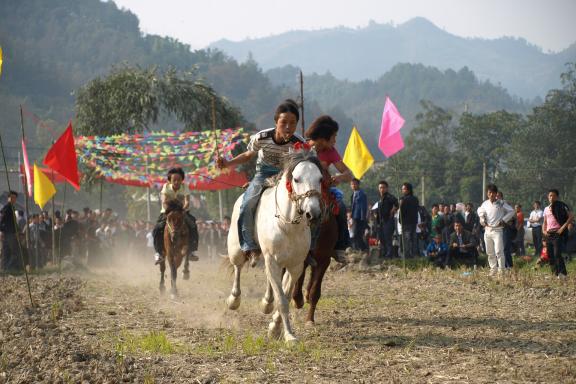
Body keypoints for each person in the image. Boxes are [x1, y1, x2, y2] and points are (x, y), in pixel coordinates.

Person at [217, 99, 305, 265]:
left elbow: (304, 165)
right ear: (276, 122)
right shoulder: (262, 137)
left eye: (292, 123)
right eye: (283, 122)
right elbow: (248, 155)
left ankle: (307, 248)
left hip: (286, 177)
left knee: (308, 205)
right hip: (262, 175)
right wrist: (227, 163)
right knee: (247, 204)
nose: (288, 127)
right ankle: (249, 245)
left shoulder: (299, 143)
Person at [305, 115, 352, 263]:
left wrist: (339, 177)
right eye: (333, 136)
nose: (335, 140)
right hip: (302, 192)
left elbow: (349, 174)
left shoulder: (331, 151)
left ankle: (339, 247)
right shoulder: (302, 148)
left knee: (342, 208)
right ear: (323, 137)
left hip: (324, 191)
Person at [152, 167, 199, 265]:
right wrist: (169, 211)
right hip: (167, 212)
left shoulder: (185, 187)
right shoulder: (165, 187)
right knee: (157, 229)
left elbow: (187, 202)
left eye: (179, 180)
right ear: (170, 181)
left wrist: (182, 210)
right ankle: (159, 253)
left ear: (182, 180)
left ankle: (192, 252)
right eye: (174, 180)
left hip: (182, 212)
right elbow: (164, 201)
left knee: (193, 226)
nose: (177, 182)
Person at [477, 184, 515, 276]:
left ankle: (501, 270)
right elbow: (479, 211)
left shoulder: (501, 202)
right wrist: (482, 219)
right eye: (490, 193)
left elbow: (511, 211)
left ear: (496, 193)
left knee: (499, 251)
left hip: (498, 230)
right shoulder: (485, 203)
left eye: (493, 193)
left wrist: (503, 220)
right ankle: (493, 269)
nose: (491, 195)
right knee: (489, 252)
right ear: (487, 193)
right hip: (488, 230)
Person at [542, 189, 573, 279]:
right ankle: (555, 274)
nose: (551, 197)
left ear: (557, 197)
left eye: (553, 196)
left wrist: (562, 228)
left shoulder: (562, 206)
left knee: (557, 254)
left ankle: (563, 274)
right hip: (548, 234)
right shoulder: (546, 209)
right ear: (548, 197)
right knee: (550, 255)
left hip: (557, 233)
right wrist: (543, 231)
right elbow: (544, 221)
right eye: (550, 196)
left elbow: (571, 216)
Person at [374, 180, 398, 259]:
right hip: (381, 221)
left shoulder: (389, 197)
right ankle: (384, 253)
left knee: (388, 238)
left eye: (384, 187)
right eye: (380, 188)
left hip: (388, 221)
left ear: (387, 188)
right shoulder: (380, 198)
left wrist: (393, 210)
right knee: (382, 238)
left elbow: (397, 203)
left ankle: (389, 255)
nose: (382, 189)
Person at [0, 191, 22, 271]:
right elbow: (2, 220)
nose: (13, 199)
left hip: (11, 233)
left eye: (15, 198)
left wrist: (17, 231)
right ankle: (5, 268)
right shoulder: (6, 208)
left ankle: (9, 268)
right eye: (12, 197)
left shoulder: (12, 208)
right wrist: (1, 231)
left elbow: (13, 222)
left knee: (12, 251)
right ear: (8, 198)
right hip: (7, 233)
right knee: (6, 251)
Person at [399, 182, 419, 258]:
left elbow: (402, 211)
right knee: (413, 239)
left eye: (404, 189)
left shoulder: (403, 200)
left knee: (406, 240)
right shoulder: (415, 199)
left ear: (408, 190)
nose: (402, 190)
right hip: (414, 222)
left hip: (406, 223)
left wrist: (400, 221)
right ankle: (413, 254)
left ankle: (407, 256)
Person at [350, 178, 369, 253]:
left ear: (358, 184)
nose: (353, 185)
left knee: (358, 234)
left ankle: (364, 248)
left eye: (355, 184)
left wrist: (362, 218)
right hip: (355, 216)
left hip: (360, 217)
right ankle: (361, 249)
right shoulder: (353, 194)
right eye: (352, 184)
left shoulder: (361, 194)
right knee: (355, 234)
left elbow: (363, 207)